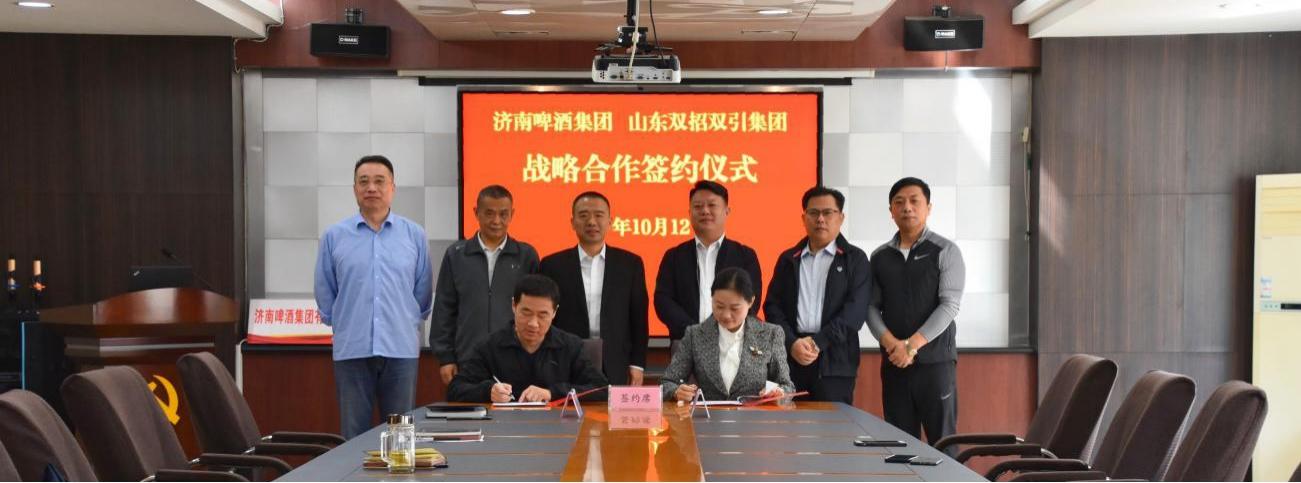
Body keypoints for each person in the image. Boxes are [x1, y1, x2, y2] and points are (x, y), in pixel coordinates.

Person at [314, 155, 433, 439]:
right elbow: (325, 290)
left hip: (400, 349)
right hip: (352, 349)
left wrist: (403, 319)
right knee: (353, 436)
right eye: (363, 181)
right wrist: (343, 322)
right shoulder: (334, 236)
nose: (371, 188)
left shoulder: (414, 235)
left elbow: (423, 292)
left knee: (400, 436)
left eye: (380, 181)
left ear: (392, 188)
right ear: (354, 188)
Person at [867, 177, 965, 451]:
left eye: (914, 201)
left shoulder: (946, 250)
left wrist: (911, 346)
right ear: (891, 211)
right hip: (895, 364)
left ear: (928, 207)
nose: (907, 207)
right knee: (900, 447)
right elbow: (870, 307)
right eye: (899, 202)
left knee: (944, 444)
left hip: (936, 364)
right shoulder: (879, 257)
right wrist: (893, 345)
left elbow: (949, 305)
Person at [763, 186, 871, 404]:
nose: (820, 219)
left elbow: (855, 313)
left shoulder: (855, 259)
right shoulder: (788, 259)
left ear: (841, 218)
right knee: (789, 423)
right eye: (813, 213)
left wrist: (817, 343)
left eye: (828, 213)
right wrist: (792, 343)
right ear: (804, 218)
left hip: (835, 362)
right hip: (790, 359)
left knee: (834, 424)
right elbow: (772, 306)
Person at [430, 185, 540, 386]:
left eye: (503, 214)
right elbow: (444, 309)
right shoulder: (457, 254)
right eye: (489, 213)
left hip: (516, 358)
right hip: (467, 358)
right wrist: (446, 358)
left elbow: (537, 310)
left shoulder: (526, 256)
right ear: (476, 213)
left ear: (512, 214)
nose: (496, 221)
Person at [539, 191, 648, 386]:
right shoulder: (552, 265)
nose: (591, 222)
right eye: (583, 215)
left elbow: (639, 318)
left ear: (610, 221)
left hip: (615, 359)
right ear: (572, 222)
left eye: (599, 215)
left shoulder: (629, 264)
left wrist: (637, 364)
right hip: (565, 358)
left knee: (611, 407)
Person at [447, 274, 609, 402]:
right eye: (526, 313)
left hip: (557, 427)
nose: (533, 323)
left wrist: (551, 393)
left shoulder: (570, 346)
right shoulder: (489, 346)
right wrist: (488, 391)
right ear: (514, 305)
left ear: (554, 312)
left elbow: (603, 389)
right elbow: (455, 389)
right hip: (505, 428)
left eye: (542, 315)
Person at [662, 267, 793, 402]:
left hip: (754, 414)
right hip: (708, 414)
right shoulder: (694, 335)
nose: (726, 315)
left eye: (735, 308)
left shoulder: (770, 334)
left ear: (751, 302)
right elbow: (667, 383)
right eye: (719, 306)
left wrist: (778, 393)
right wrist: (676, 392)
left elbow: (787, 386)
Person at [655, 180, 763, 342]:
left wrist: (721, 329)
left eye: (712, 205)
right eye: (698, 206)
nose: (705, 211)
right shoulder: (674, 256)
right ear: (689, 212)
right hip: (686, 343)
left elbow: (751, 299)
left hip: (732, 343)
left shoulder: (745, 256)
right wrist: (694, 332)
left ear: (727, 211)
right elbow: (663, 300)